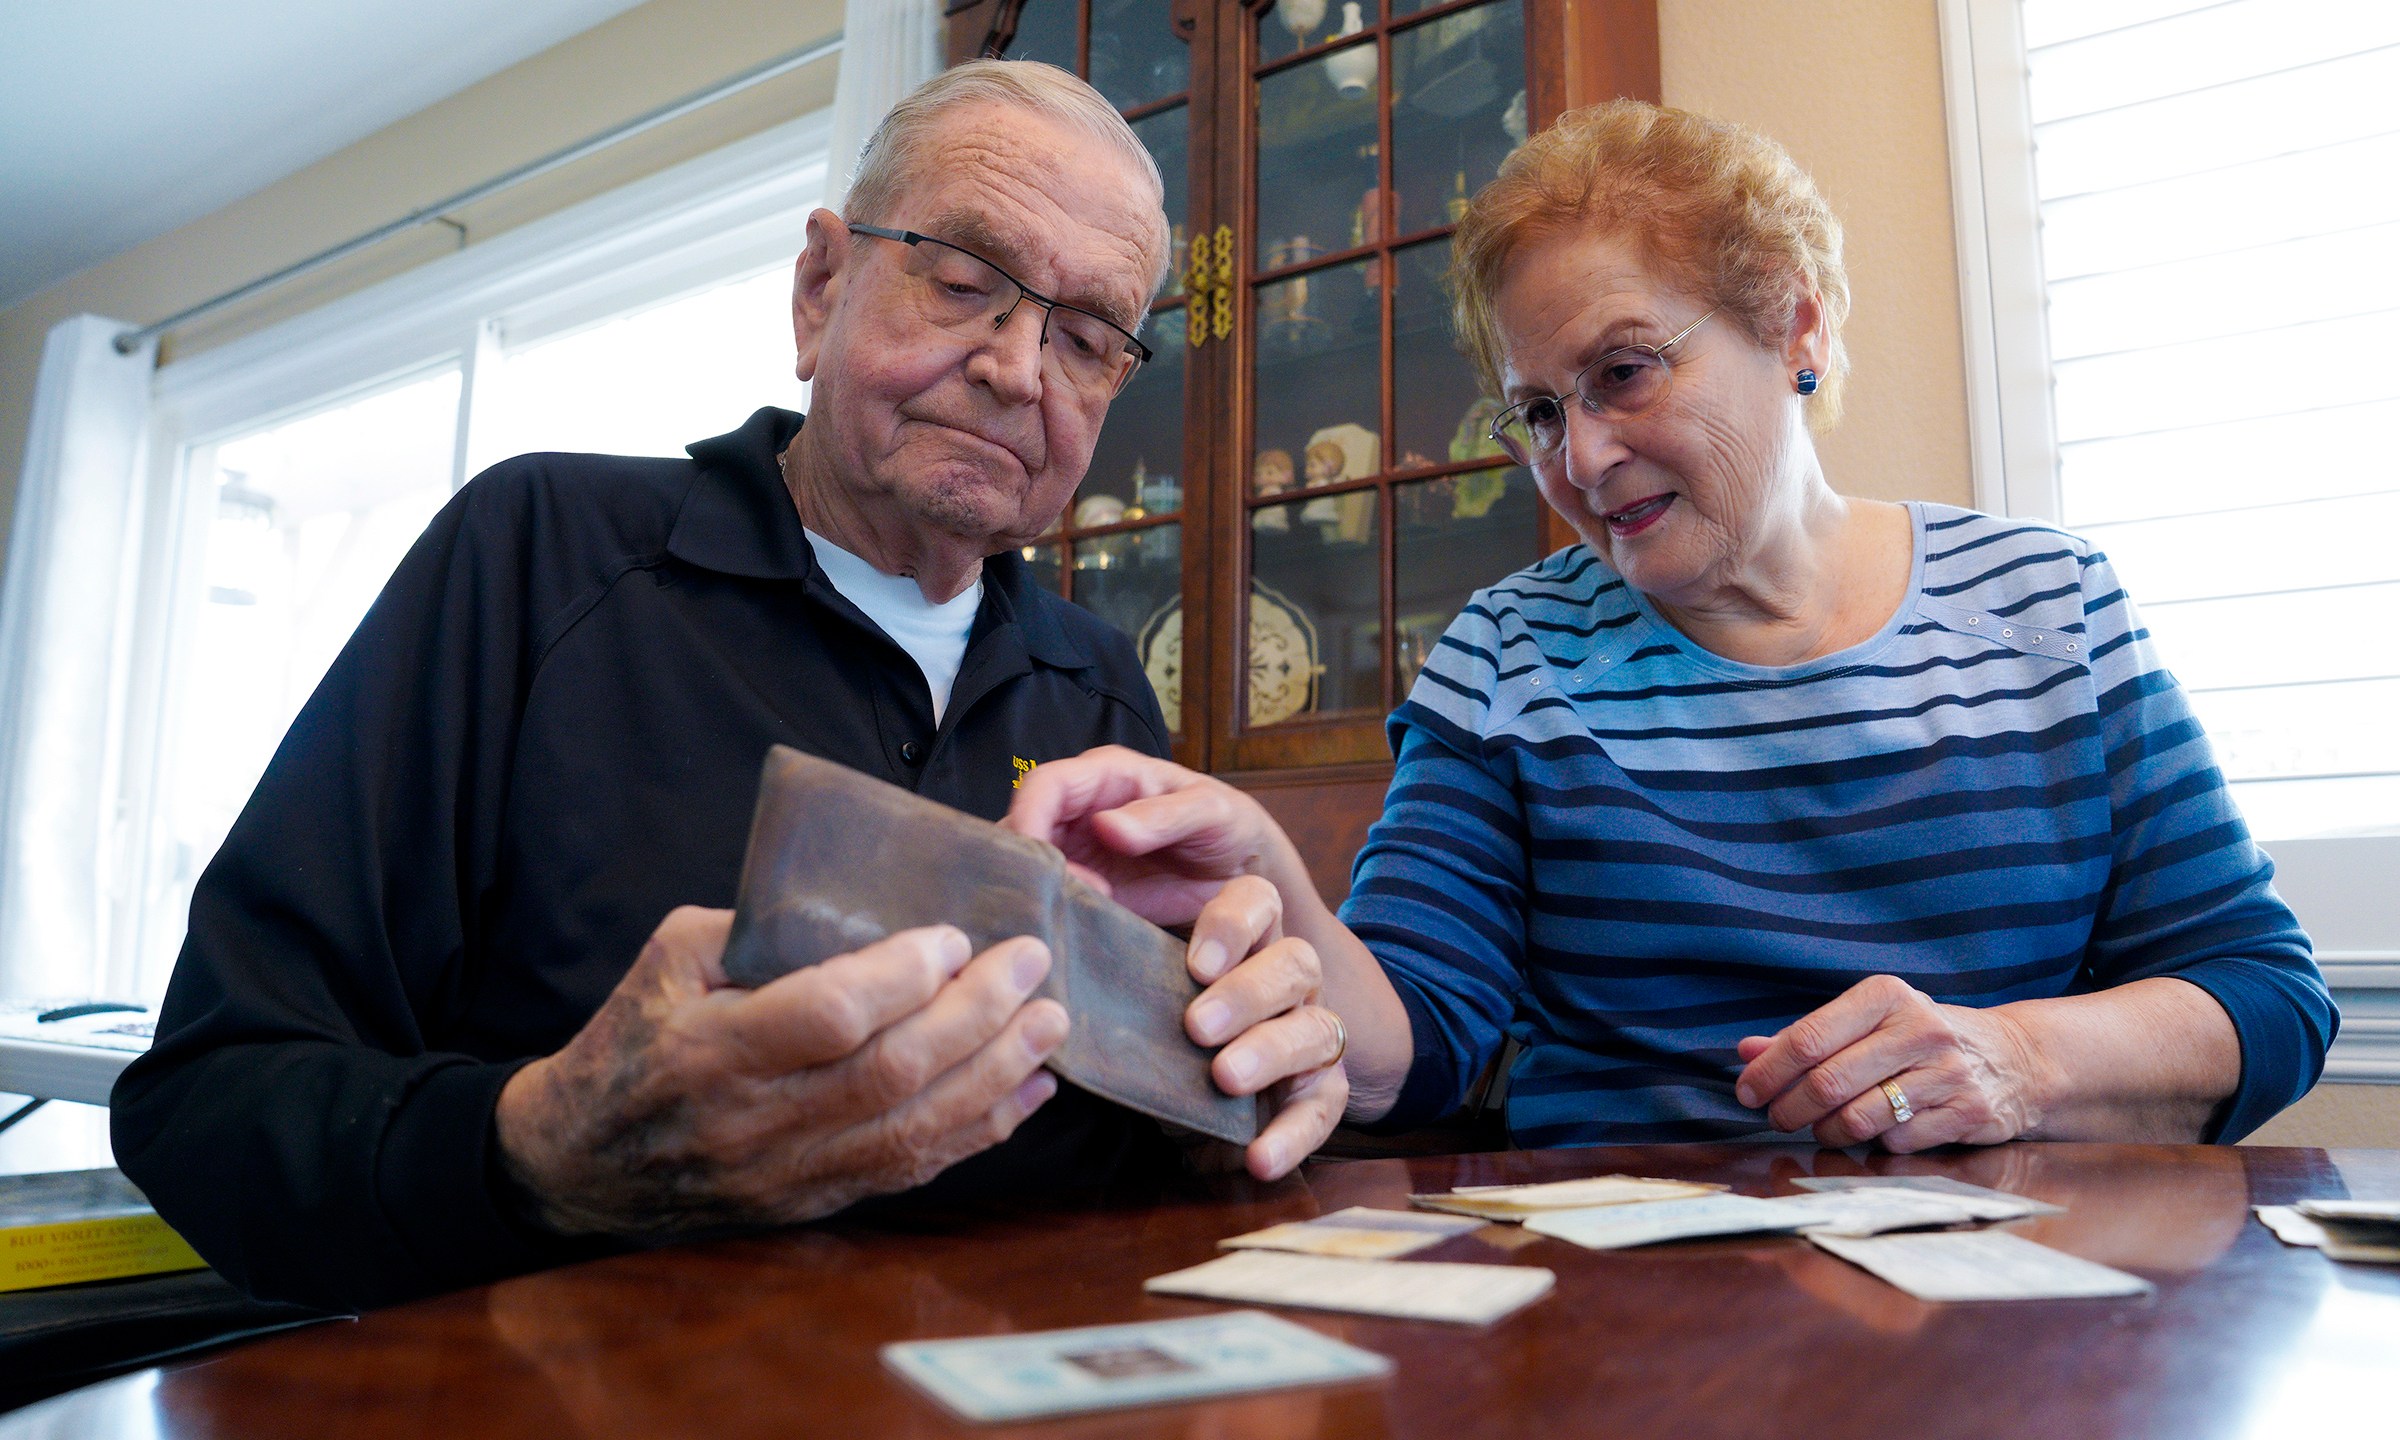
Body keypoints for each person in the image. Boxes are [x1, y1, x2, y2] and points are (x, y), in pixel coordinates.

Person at [110, 61, 1346, 1313]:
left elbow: (1155, 1143)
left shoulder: (1101, 688)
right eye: (966, 281)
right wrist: (541, 1146)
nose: (1020, 369)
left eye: (1085, 338)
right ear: (821, 288)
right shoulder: (538, 557)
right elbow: (207, 1104)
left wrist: (1227, 1090)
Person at [1006, 100, 2334, 1156]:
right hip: (1625, 1327)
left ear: (1793, 325)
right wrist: (1278, 897)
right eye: (1536, 412)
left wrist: (2021, 1062)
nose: (1579, 458)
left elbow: (2264, 1000)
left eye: (1625, 372)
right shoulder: (1508, 660)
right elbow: (1418, 1044)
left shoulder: (2053, 610)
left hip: (2019, 1320)